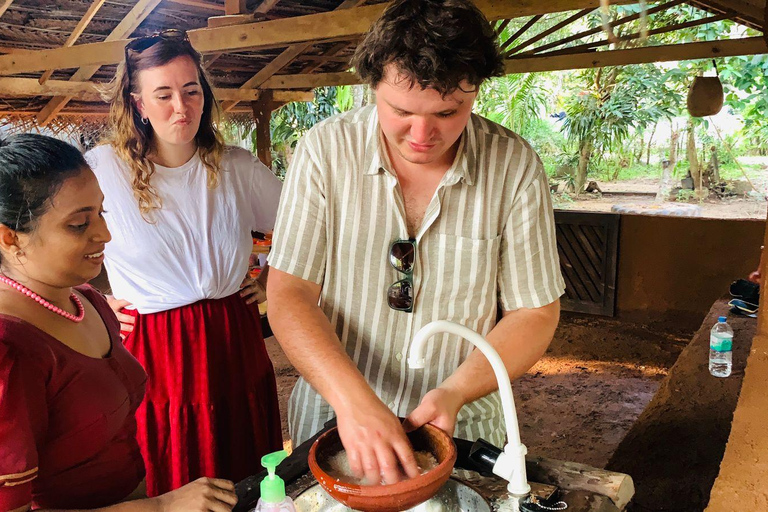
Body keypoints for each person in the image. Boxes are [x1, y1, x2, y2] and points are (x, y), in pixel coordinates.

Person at [267, 0, 565, 485]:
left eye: (449, 112)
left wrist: (454, 392)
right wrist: (355, 402)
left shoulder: (513, 166)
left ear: (476, 91)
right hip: (334, 418)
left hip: (461, 426)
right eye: (401, 111)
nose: (423, 134)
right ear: (372, 86)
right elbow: (289, 293)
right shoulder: (324, 151)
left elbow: (534, 313)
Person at [85, 30, 283, 496]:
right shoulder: (100, 172)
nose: (181, 106)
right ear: (138, 103)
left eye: (191, 91)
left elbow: (304, 228)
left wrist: (272, 275)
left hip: (233, 335)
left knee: (247, 468)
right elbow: (45, 250)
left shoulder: (235, 167)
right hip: (155, 347)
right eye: (164, 94)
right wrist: (90, 299)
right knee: (172, 468)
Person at [0, 133, 237, 512]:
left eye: (101, 213)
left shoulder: (86, 300)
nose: (105, 234)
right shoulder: (10, 351)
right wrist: (160, 508)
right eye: (79, 224)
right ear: (11, 238)